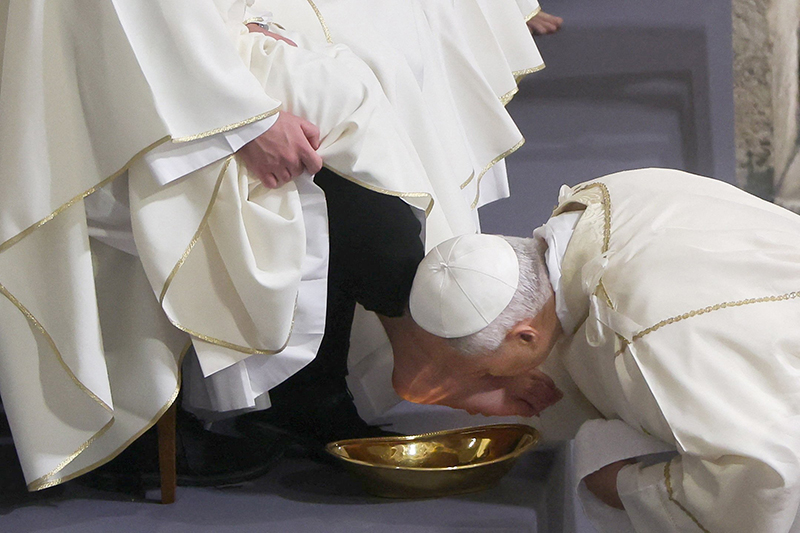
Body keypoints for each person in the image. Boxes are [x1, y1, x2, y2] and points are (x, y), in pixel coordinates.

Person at [0, 0, 550, 490]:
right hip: (107, 98)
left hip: (178, 50)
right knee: (334, 126)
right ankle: (413, 348)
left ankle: (366, 364)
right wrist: (244, 119)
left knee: (359, 75)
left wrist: (242, 25)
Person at [395, 168, 800, 533]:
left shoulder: (638, 332)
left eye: (487, 372)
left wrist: (624, 488)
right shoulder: (602, 202)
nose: (488, 385)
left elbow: (762, 476)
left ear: (524, 337)